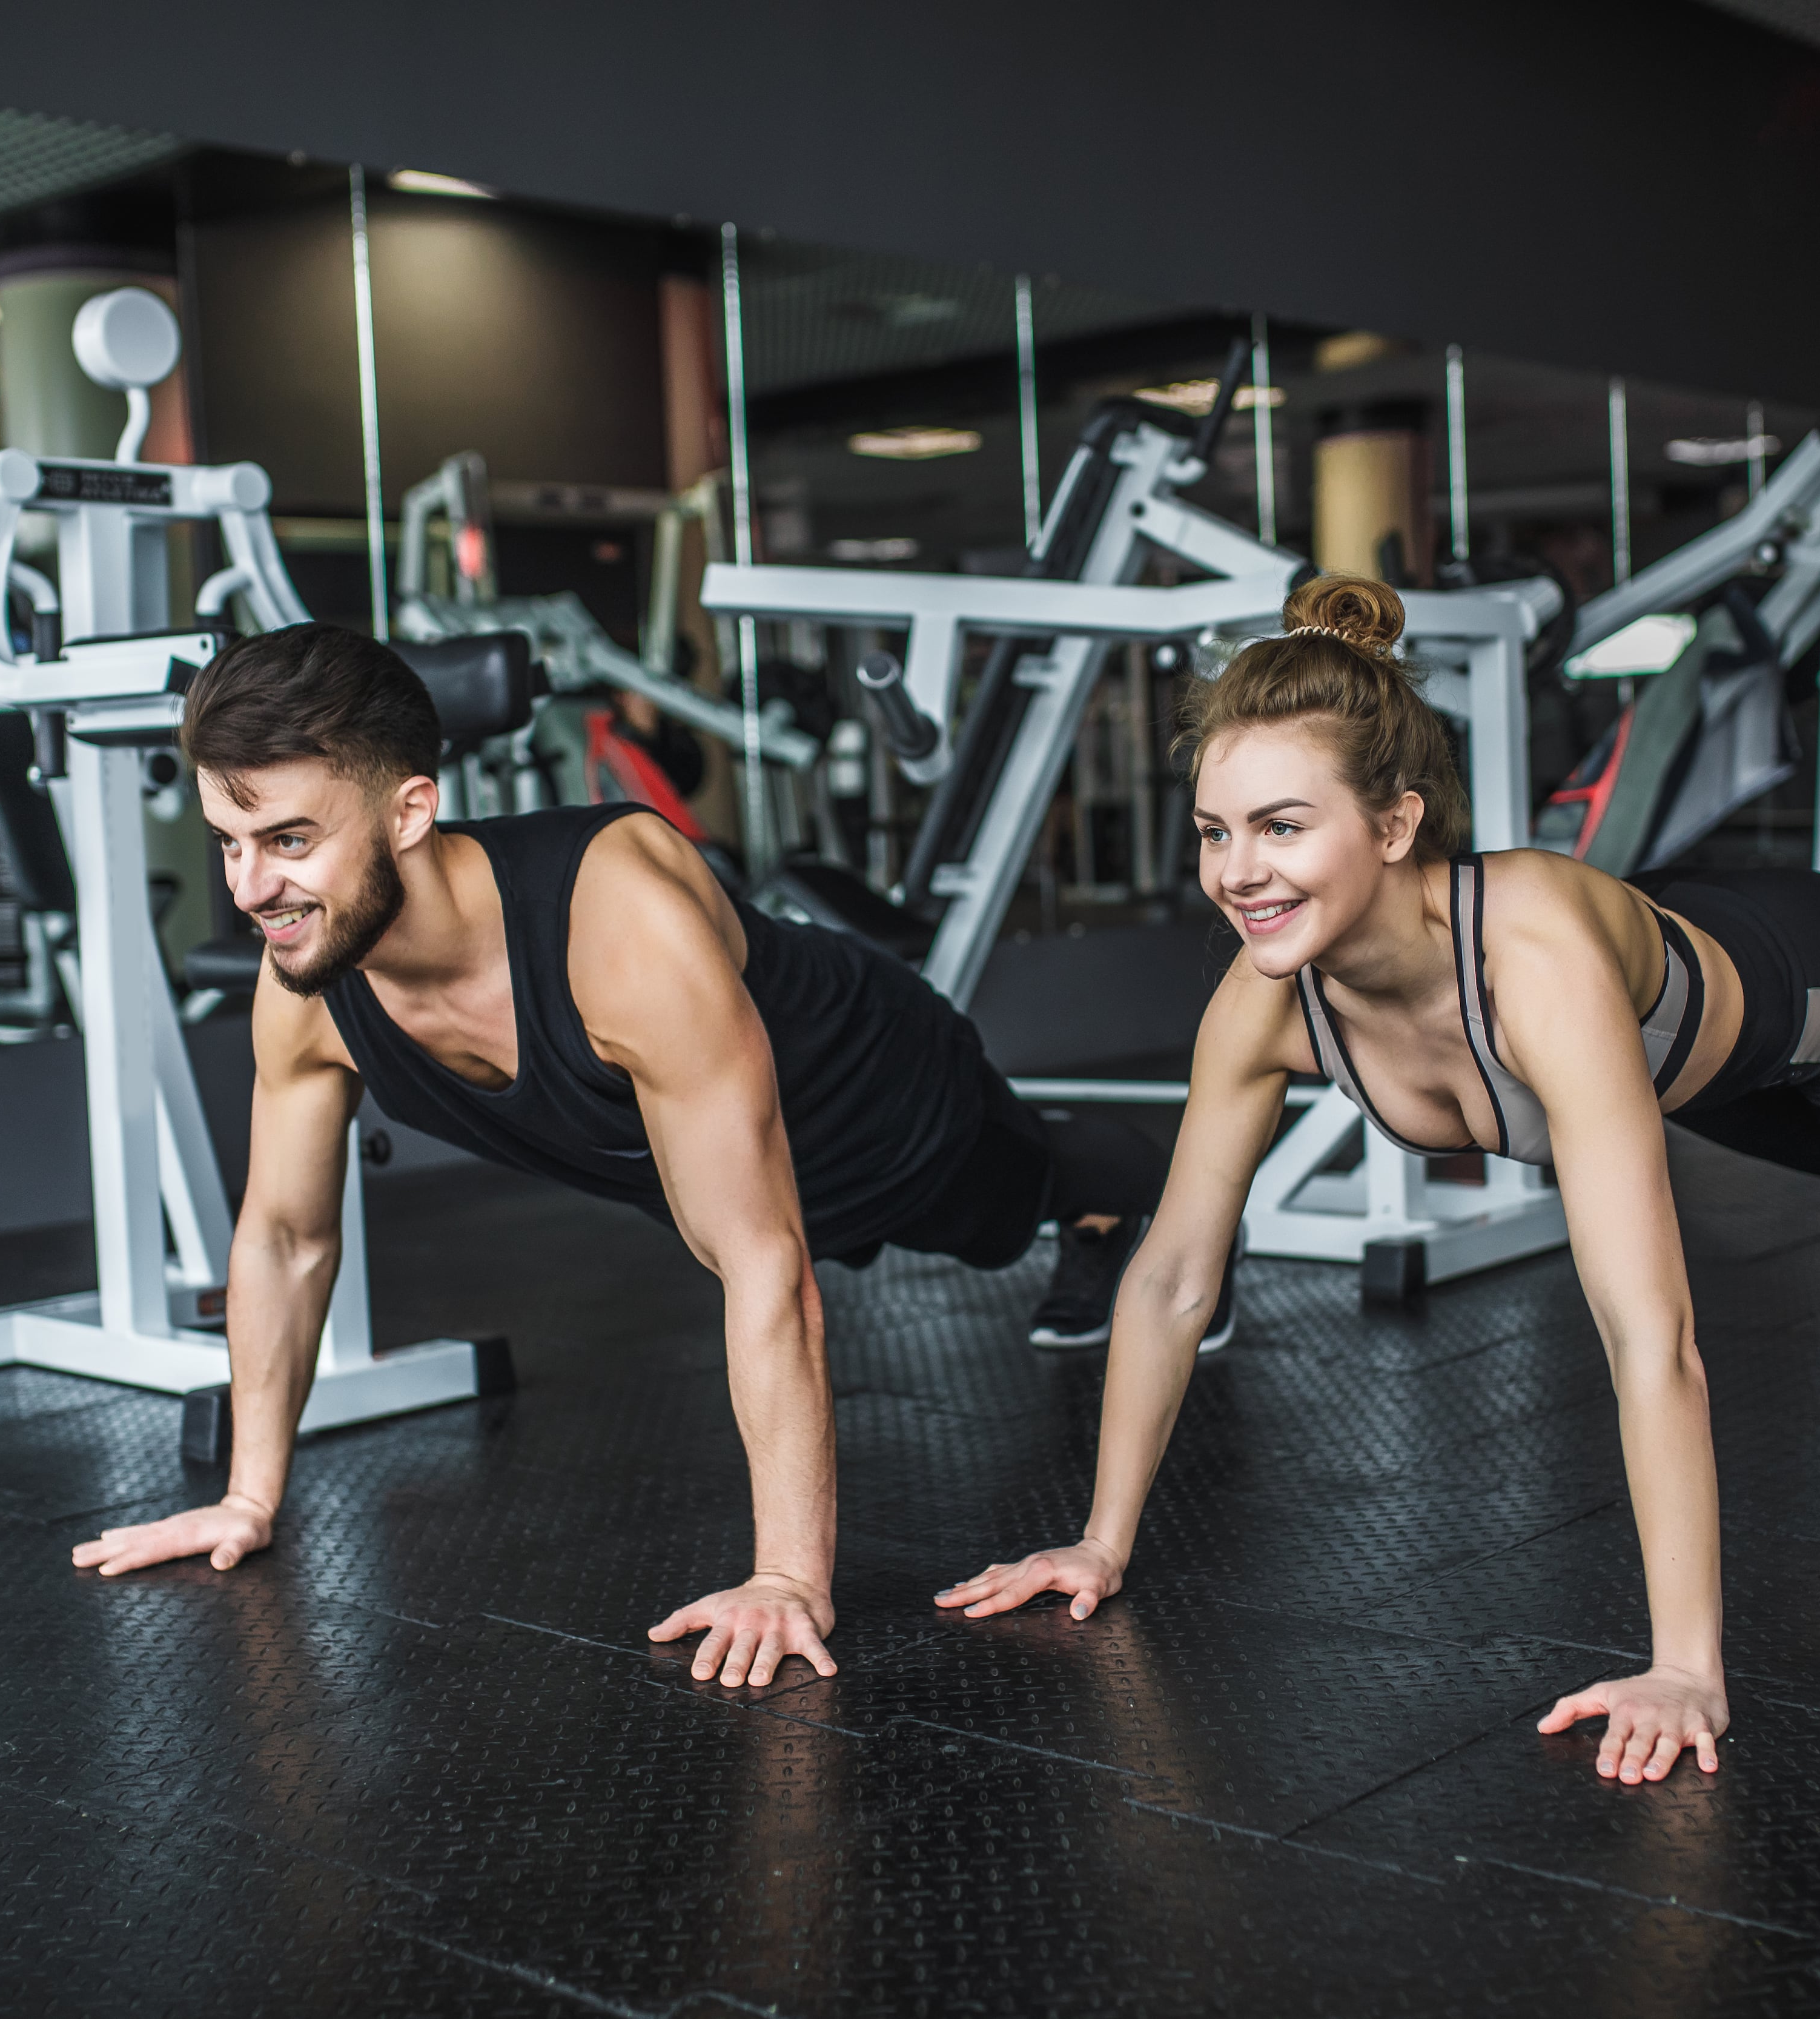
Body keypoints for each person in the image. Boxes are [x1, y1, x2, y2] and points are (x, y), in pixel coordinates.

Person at [936, 575, 1820, 1785]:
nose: (1238, 872)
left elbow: (1649, 1331)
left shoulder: (1530, 964)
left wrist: (1684, 1666)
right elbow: (1168, 1275)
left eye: (1280, 826)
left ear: (1393, 822)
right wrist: (1100, 1539)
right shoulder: (1263, 1005)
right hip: (1681, 1060)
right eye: (1216, 831)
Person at [70, 623, 1217, 1688]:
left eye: (289, 841)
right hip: (714, 1149)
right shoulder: (309, 980)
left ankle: (1126, 1186)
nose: (251, 890)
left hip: (872, 1086)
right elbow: (283, 1234)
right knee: (857, 1230)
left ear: (411, 810)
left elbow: (766, 1263)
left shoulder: (618, 923)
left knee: (992, 1211)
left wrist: (786, 1578)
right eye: (228, 844)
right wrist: (247, 1496)